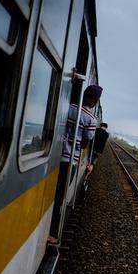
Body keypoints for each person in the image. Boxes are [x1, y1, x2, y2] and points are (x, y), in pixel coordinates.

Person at [48, 85, 103, 244]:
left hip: (54, 155)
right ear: (95, 101)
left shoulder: (67, 108)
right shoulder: (90, 119)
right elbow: (85, 143)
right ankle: (53, 233)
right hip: (70, 160)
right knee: (60, 196)